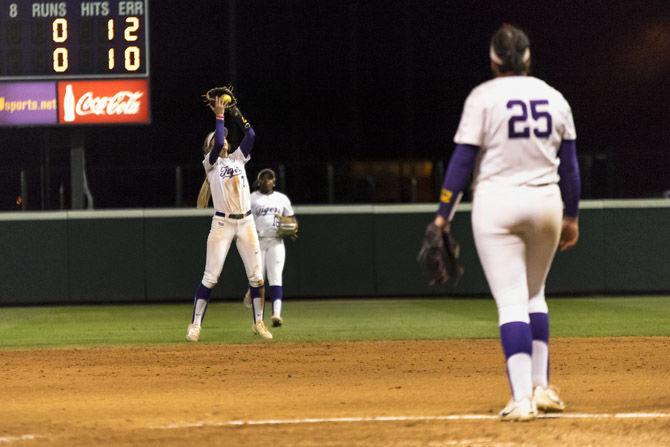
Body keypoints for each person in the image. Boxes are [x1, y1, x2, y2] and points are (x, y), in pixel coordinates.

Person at [432, 24, 580, 421]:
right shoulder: (554, 97)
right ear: (528, 57)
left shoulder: (483, 96)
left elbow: (462, 162)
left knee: (512, 301)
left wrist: (443, 215)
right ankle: (542, 388)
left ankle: (521, 398)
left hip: (497, 203)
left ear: (494, 59)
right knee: (535, 295)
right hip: (546, 203)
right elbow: (570, 167)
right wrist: (572, 216)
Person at [186, 93, 273, 342]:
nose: (221, 141)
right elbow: (220, 138)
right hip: (222, 223)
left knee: (257, 277)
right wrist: (219, 116)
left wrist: (236, 113)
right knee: (210, 277)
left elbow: (252, 135)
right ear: (209, 146)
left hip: (245, 222)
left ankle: (259, 322)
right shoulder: (210, 163)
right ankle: (195, 325)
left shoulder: (237, 158)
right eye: (215, 140)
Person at [243, 168, 297, 327]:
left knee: (275, 277)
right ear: (258, 181)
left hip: (276, 241)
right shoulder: (251, 198)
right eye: (263, 178)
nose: (266, 181)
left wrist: (291, 227)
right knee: (258, 279)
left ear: (274, 181)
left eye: (269, 178)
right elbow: (244, 219)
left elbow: (291, 219)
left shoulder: (281, 198)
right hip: (257, 242)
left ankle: (276, 315)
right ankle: (257, 319)